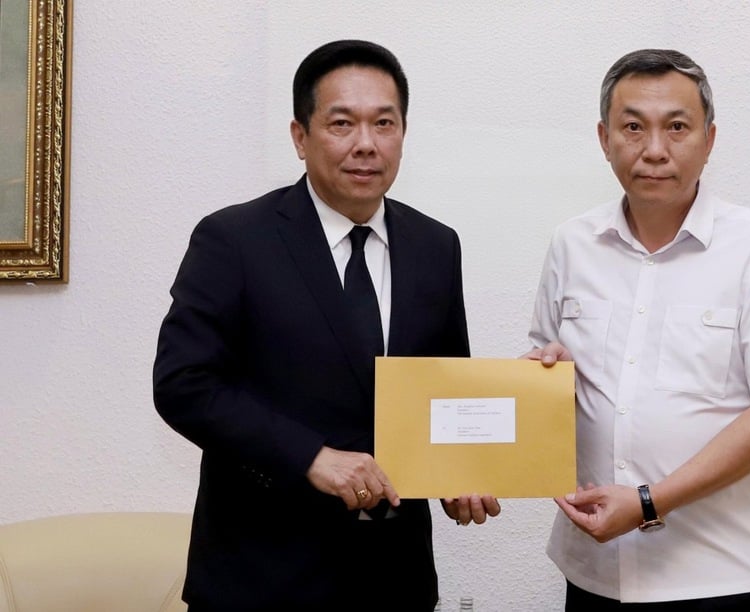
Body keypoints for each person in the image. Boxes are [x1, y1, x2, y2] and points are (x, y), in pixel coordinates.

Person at [153, 40, 498, 611]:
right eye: (342, 123)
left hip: (396, 580)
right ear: (300, 136)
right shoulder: (234, 240)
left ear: (403, 133)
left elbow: (442, 390)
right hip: (263, 578)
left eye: (384, 123)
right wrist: (310, 456)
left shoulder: (436, 246)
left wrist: (457, 472)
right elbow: (183, 385)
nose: (366, 143)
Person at [525, 49, 750, 611]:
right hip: (594, 574)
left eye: (676, 127)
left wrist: (649, 501)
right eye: (633, 127)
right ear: (604, 138)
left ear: (709, 140)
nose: (654, 150)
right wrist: (542, 383)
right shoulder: (572, 244)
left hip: (721, 579)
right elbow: (551, 381)